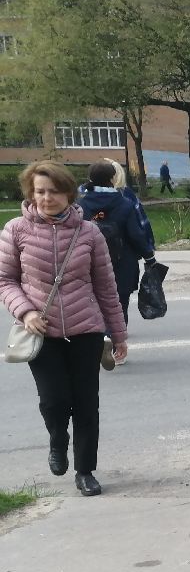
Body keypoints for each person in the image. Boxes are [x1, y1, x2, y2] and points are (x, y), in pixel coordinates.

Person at [0, 161, 128, 496]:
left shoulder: (89, 233)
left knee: (87, 403)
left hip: (85, 330)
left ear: (69, 193)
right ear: (31, 193)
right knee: (55, 401)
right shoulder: (16, 230)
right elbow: (5, 281)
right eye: (40, 191)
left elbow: (106, 288)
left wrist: (118, 333)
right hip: (41, 333)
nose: (46, 198)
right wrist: (26, 312)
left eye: (53, 191)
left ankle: (85, 470)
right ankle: (58, 439)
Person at [78, 161, 150, 329]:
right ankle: (116, 345)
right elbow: (136, 234)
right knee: (119, 306)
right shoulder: (125, 204)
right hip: (122, 264)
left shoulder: (80, 205)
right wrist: (149, 256)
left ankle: (99, 345)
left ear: (90, 178)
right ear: (112, 178)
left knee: (94, 306)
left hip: (89, 265)